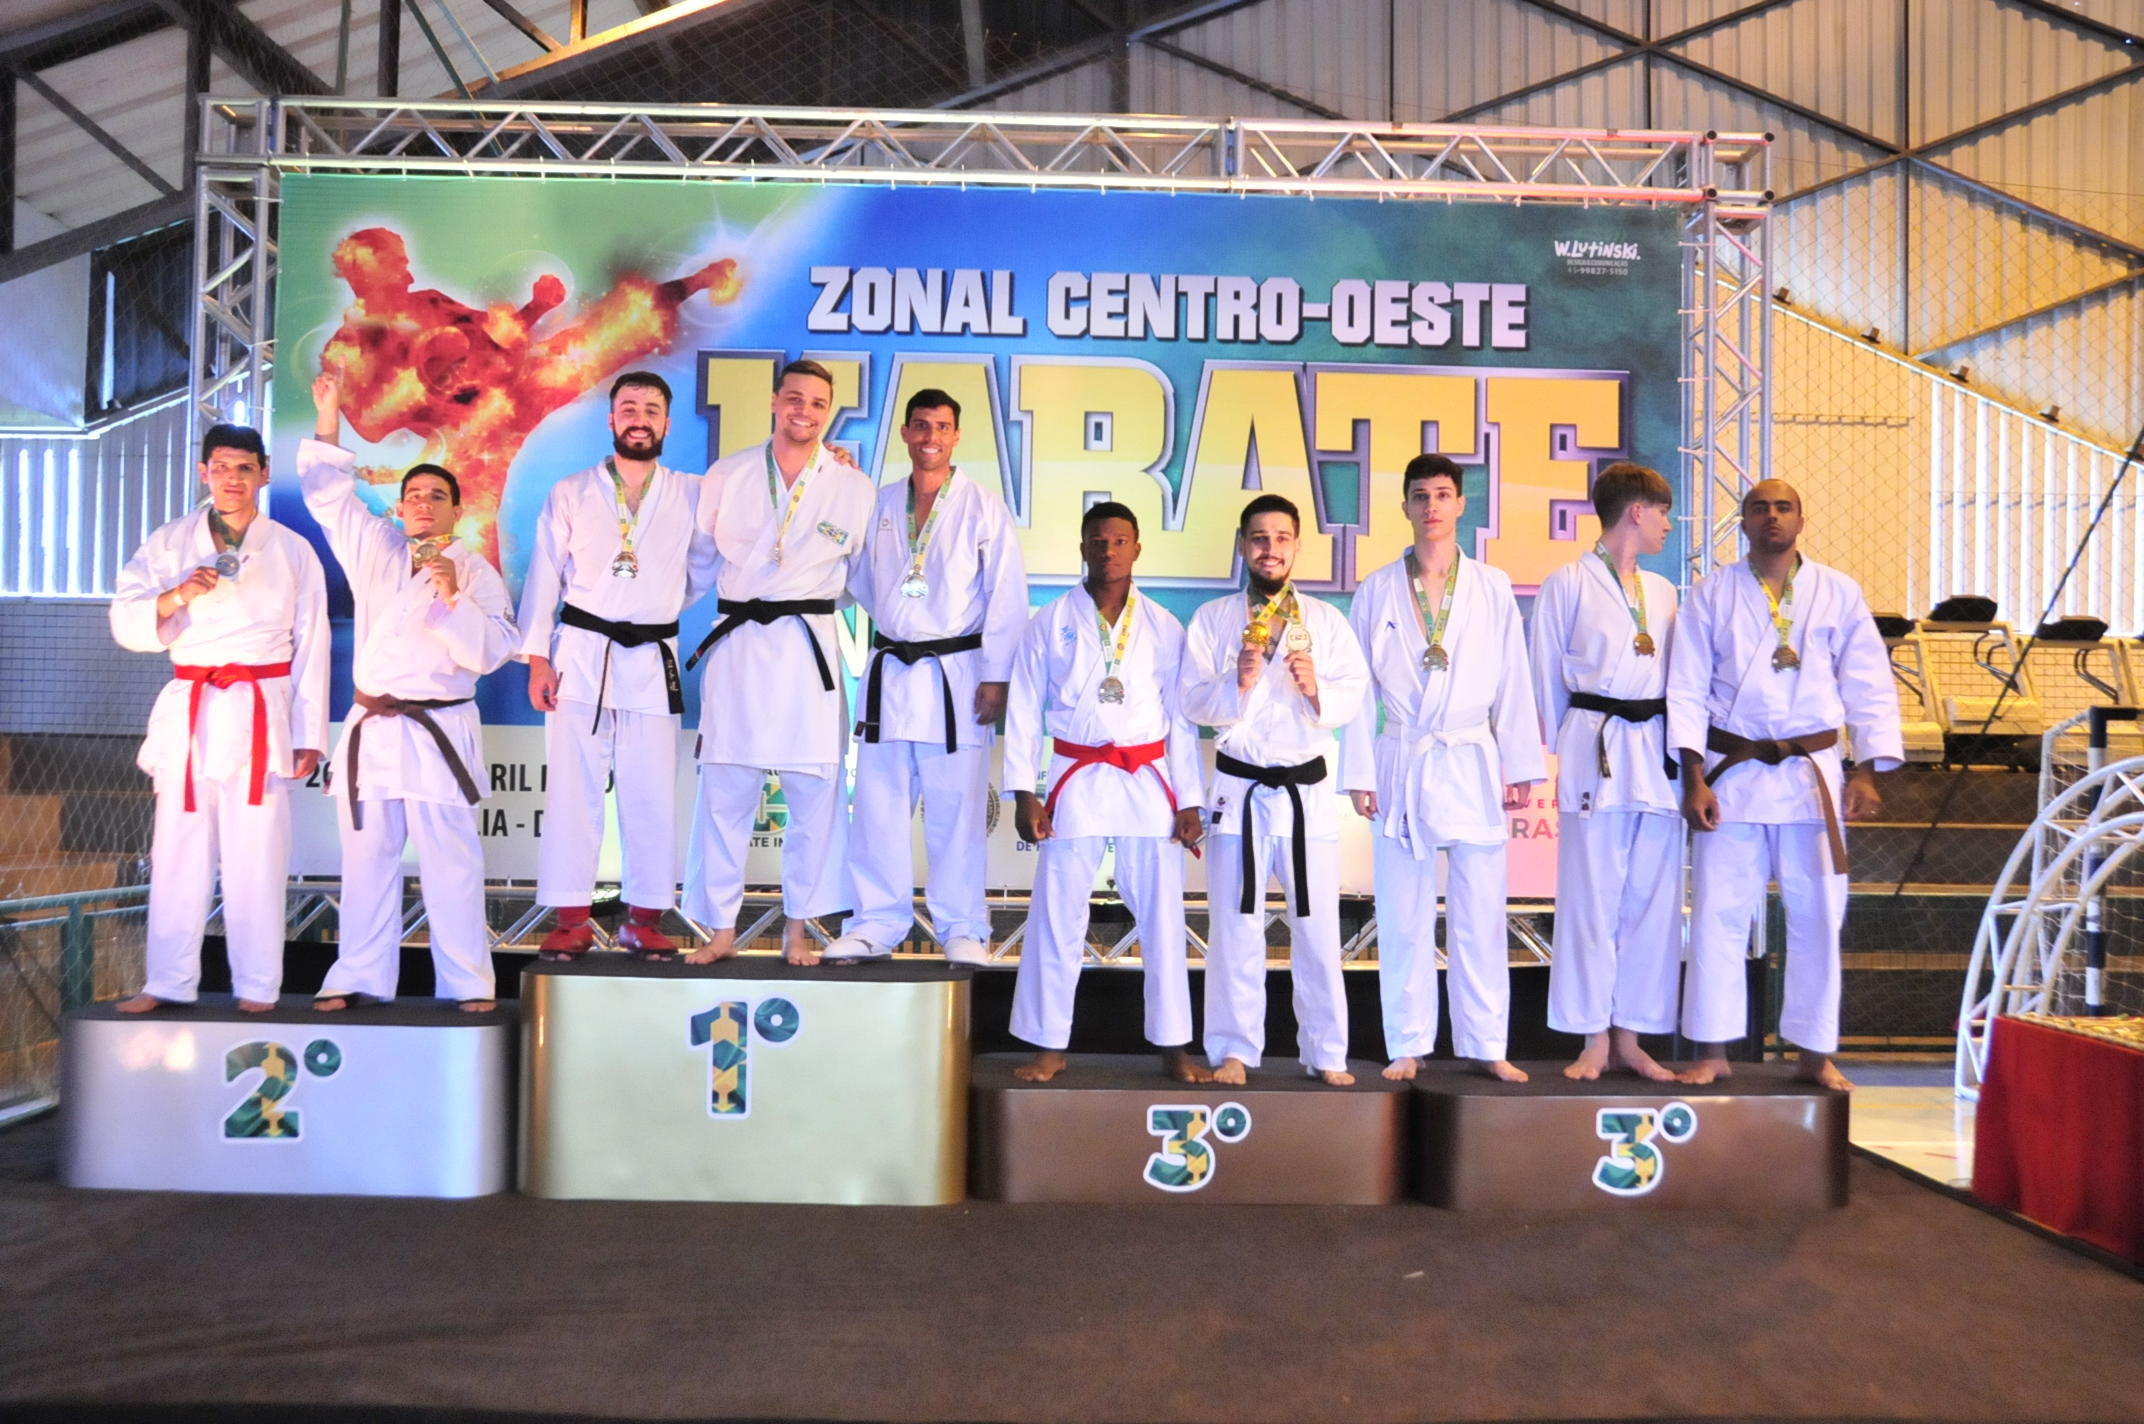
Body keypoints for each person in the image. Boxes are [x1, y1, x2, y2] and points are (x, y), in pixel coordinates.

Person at [1668, 479, 1903, 1091]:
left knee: (1820, 914)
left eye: (1783, 507)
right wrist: (1693, 778)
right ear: (1743, 522)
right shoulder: (1711, 594)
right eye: (1759, 508)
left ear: (1801, 519)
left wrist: (1867, 770)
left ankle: (1813, 1052)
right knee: (1718, 914)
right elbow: (1686, 688)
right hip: (1733, 773)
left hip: (1811, 775)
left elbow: (1868, 683)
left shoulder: (1838, 592)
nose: (1771, 516)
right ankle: (1713, 1050)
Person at [301, 370, 520, 1012]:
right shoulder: (375, 547)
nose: (423, 503)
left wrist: (450, 594)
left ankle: (468, 983)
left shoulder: (476, 573)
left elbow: (491, 651)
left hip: (439, 730)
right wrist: (329, 417)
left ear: (457, 511)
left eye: (436, 496)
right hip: (374, 729)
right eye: (413, 495)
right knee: (367, 860)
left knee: (451, 864)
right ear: (399, 509)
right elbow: (329, 498)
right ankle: (358, 976)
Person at [109, 421, 330, 1012]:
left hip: (261, 711)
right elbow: (126, 618)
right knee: (177, 851)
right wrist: (177, 596)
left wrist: (309, 733)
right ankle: (167, 981)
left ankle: (258, 986)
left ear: (264, 474)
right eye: (222, 467)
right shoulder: (169, 543)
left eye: (245, 467)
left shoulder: (292, 549)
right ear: (204, 472)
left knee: (258, 856)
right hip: (193, 708)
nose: (233, 478)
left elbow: (313, 644)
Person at [1342, 454, 1543, 1082]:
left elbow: (1513, 677)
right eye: (1420, 495)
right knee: (1402, 910)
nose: (1431, 506)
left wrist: (1520, 762)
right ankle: (1408, 1042)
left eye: (1442, 494)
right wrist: (1360, 772)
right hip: (1404, 753)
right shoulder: (1376, 589)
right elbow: (1358, 690)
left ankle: (1487, 1043)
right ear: (1404, 506)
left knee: (1480, 911)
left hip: (1472, 753)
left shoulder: (1491, 585)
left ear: (1460, 504)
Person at [1004, 502, 1209, 1083]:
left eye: (1120, 541)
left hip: (1148, 777)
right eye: (1098, 540)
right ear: (1082, 547)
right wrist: (1023, 792)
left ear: (1137, 548)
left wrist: (1189, 799)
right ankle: (1049, 1044)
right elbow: (1024, 708)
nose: (1109, 551)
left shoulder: (1164, 626)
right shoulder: (1050, 621)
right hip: (1076, 775)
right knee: (1057, 913)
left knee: (1164, 917)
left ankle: (1174, 1046)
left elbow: (1181, 719)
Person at [682, 360, 877, 967]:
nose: (805, 411)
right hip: (739, 646)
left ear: (829, 412)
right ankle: (719, 929)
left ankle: (799, 929)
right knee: (724, 792)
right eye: (795, 398)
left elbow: (860, 578)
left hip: (806, 650)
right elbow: (697, 562)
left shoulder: (853, 487)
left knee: (815, 796)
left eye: (818, 403)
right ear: (774, 401)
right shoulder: (728, 474)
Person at [823, 389, 1028, 966]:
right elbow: (854, 575)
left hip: (956, 677)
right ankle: (874, 923)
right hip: (890, 672)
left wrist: (997, 676)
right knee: (878, 809)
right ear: (906, 434)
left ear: (956, 435)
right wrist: (833, 483)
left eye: (941, 426)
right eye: (920, 425)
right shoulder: (880, 503)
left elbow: (1006, 596)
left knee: (956, 813)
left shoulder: (983, 507)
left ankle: (963, 927)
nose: (931, 436)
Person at [517, 371, 716, 960]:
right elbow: (544, 574)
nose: (639, 419)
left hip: (653, 657)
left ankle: (645, 918)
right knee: (572, 790)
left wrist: (657, 604)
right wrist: (536, 660)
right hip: (580, 653)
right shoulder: (571, 491)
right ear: (611, 419)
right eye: (629, 408)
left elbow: (703, 567)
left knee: (651, 792)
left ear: (667, 424)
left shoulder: (693, 493)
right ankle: (571, 919)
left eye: (651, 410)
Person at [1182, 494, 1369, 1085]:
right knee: (1234, 928)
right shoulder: (1213, 619)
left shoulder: (1326, 622)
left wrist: (1317, 691)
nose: (1270, 548)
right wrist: (1235, 684)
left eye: (1281, 538)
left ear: (1296, 546)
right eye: (1259, 538)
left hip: (1304, 794)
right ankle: (1234, 1051)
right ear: (1243, 545)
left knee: (1317, 929)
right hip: (1237, 789)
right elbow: (1190, 699)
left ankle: (1326, 1053)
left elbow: (1353, 693)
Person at [1529, 462, 1683, 1081]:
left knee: (1651, 901)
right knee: (1591, 899)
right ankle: (1593, 1035)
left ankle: (1632, 1035)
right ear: (1636, 512)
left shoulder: (1664, 592)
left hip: (1656, 752)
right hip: (1594, 746)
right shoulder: (1567, 583)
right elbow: (1545, 675)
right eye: (1662, 513)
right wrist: (1566, 746)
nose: (1669, 525)